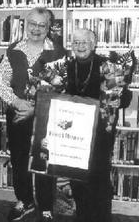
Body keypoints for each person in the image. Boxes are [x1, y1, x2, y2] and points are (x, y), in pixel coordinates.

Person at [35, 28, 133, 222]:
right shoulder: (64, 67)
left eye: (84, 42)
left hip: (99, 137)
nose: (80, 46)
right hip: (73, 138)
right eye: (76, 43)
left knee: (100, 182)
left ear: (93, 44)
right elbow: (47, 93)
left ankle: (102, 218)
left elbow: (125, 98)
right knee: (77, 181)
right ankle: (83, 216)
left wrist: (118, 99)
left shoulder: (107, 66)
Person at [0, 7, 66, 221]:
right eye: (32, 24)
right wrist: (16, 101)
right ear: (26, 25)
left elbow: (61, 87)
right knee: (18, 160)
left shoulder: (58, 53)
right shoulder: (14, 50)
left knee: (45, 160)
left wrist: (36, 108)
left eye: (42, 25)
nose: (36, 29)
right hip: (17, 113)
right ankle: (24, 200)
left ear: (48, 27)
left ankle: (45, 205)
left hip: (46, 117)